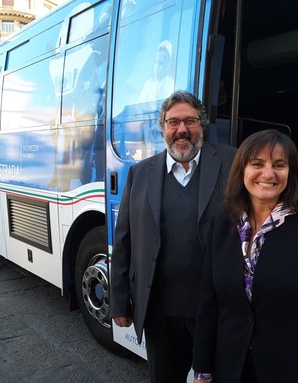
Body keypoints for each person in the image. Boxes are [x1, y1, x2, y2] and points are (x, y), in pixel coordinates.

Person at [192, 129, 298, 383]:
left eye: (279, 165)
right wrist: (203, 370)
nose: (268, 174)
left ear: (290, 173)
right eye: (257, 164)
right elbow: (209, 303)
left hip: (294, 371)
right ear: (242, 171)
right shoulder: (223, 222)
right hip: (231, 369)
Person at [110, 91, 237, 383]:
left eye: (190, 121)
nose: (182, 130)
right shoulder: (140, 173)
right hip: (160, 310)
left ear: (201, 125)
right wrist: (119, 302)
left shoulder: (232, 163)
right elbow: (124, 240)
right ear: (163, 128)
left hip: (215, 310)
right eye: (173, 122)